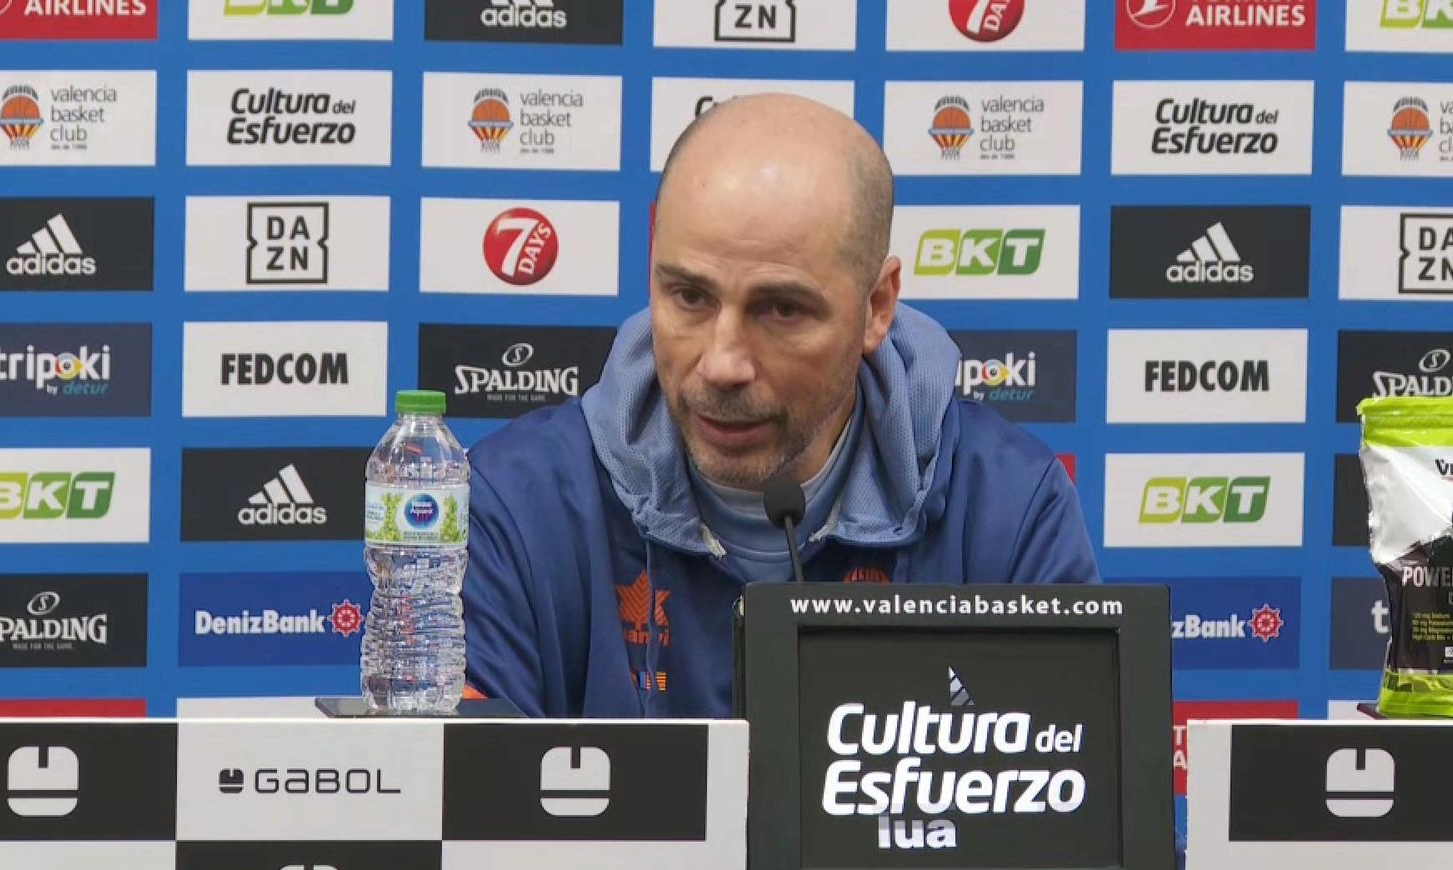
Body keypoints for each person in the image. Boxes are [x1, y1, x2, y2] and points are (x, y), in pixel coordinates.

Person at [462, 94, 1098, 718]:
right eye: (689, 296)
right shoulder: (514, 506)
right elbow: (452, 809)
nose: (722, 363)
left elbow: (1076, 810)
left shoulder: (1008, 510)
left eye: (782, 309)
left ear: (876, 307)